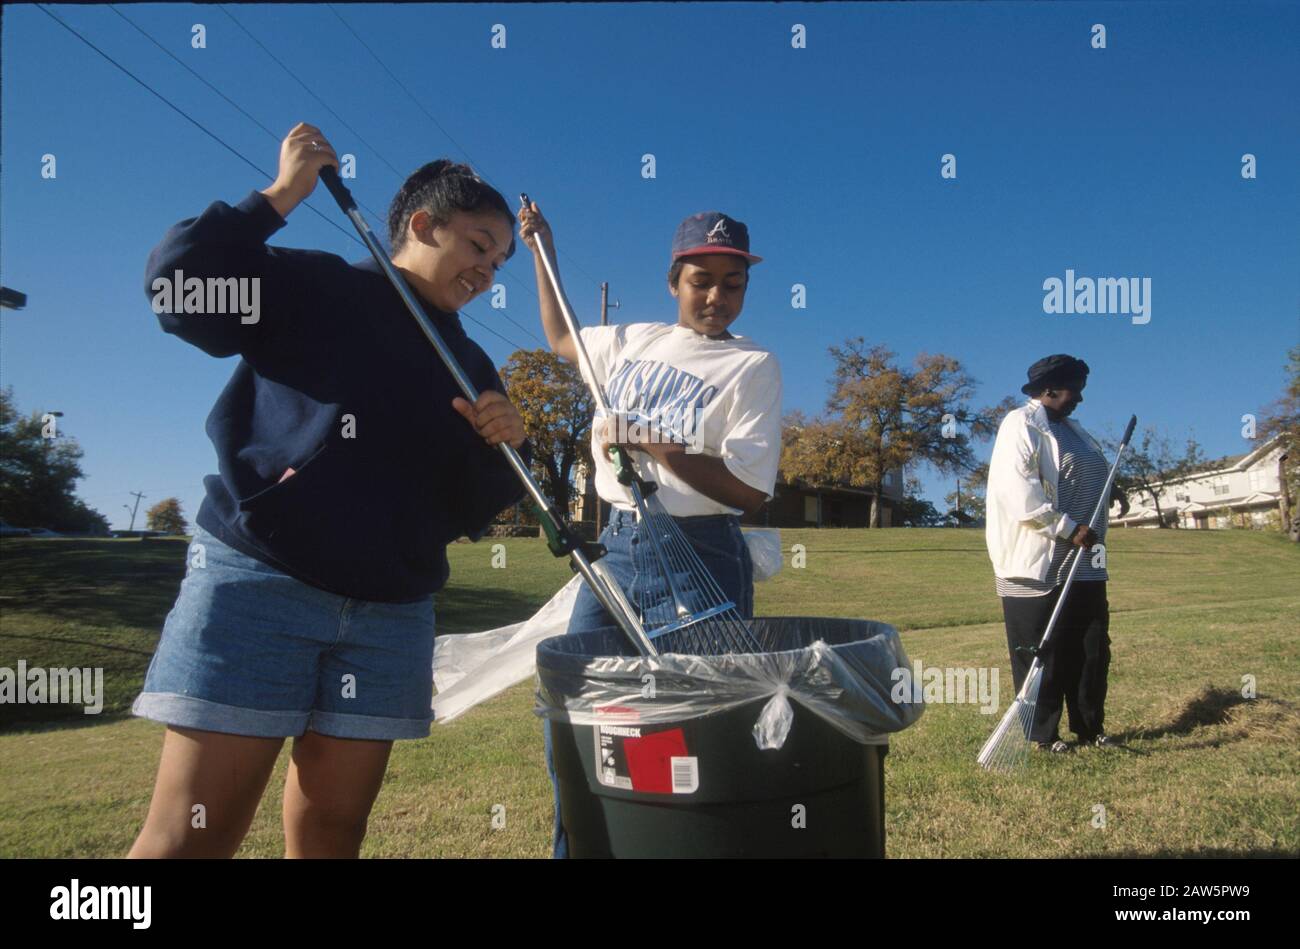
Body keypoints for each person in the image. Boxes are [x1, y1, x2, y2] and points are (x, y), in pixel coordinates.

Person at [129, 123, 529, 858]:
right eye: (479, 245)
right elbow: (179, 291)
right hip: (258, 585)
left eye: (500, 261)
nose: (488, 272)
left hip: (390, 615)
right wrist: (275, 199)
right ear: (421, 224)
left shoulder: (471, 361)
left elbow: (468, 507)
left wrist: (507, 448)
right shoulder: (318, 286)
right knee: (192, 833)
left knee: (333, 832)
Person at [518, 202, 783, 857]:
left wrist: (661, 446)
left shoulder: (754, 367)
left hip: (701, 558)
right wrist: (540, 249)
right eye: (702, 280)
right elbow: (562, 338)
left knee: (697, 729)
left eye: (733, 283)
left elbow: (748, 490)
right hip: (615, 552)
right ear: (673, 281)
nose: (717, 296)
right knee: (580, 715)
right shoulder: (631, 341)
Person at [985, 355, 1128, 753]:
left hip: (1085, 565)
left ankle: (1090, 727)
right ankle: (1043, 736)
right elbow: (1019, 493)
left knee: (1090, 649)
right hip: (1038, 563)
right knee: (1041, 652)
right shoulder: (1021, 425)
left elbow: (1086, 473)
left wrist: (1112, 487)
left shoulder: (1075, 431)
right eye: (1074, 389)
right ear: (1049, 389)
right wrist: (1068, 528)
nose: (1079, 398)